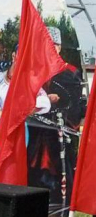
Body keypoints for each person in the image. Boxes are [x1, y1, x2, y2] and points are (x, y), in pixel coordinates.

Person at [27, 26, 86, 206]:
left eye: (52, 45)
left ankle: (65, 207)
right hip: (38, 128)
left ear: (58, 47)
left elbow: (76, 103)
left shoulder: (71, 71)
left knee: (62, 168)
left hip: (60, 129)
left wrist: (58, 103)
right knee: (33, 167)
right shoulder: (36, 70)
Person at [0, 49, 52, 183]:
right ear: (14, 55)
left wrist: (23, 111)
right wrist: (4, 116)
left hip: (19, 129)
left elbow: (45, 102)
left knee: (13, 168)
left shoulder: (29, 79)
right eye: (20, 55)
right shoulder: (0, 77)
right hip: (0, 127)